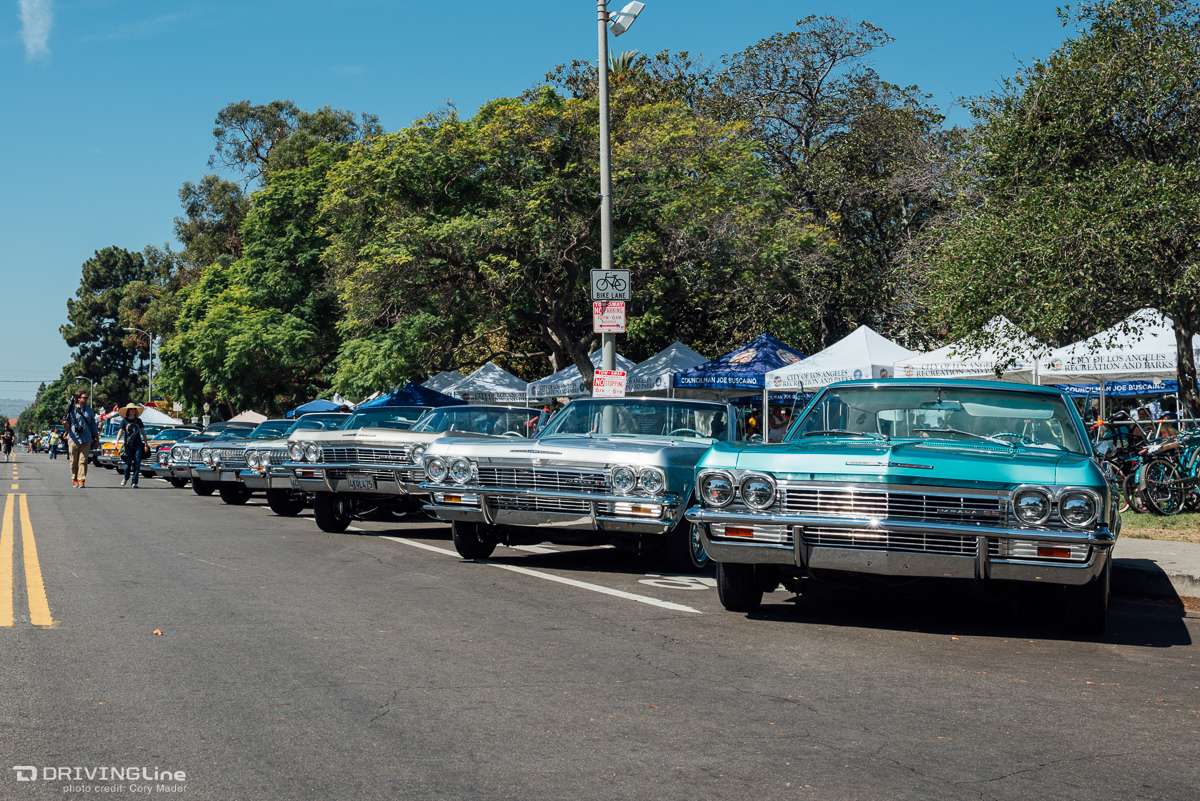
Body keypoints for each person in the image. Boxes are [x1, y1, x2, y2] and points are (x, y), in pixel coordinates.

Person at [64, 391, 98, 488]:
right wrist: (65, 424)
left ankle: (81, 480)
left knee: (83, 461)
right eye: (84, 397)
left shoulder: (89, 411)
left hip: (86, 439)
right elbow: (67, 426)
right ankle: (74, 478)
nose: (86, 399)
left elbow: (93, 426)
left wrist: (97, 440)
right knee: (73, 461)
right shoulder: (71, 410)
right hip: (74, 438)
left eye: (87, 398)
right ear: (78, 399)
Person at [116, 403, 147, 488]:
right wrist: (117, 442)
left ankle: (134, 482)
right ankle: (125, 477)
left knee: (137, 464)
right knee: (127, 464)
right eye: (131, 409)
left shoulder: (138, 421)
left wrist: (146, 444)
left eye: (134, 409)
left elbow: (143, 432)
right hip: (128, 446)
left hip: (138, 445)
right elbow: (120, 431)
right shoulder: (124, 421)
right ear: (128, 411)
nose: (133, 410)